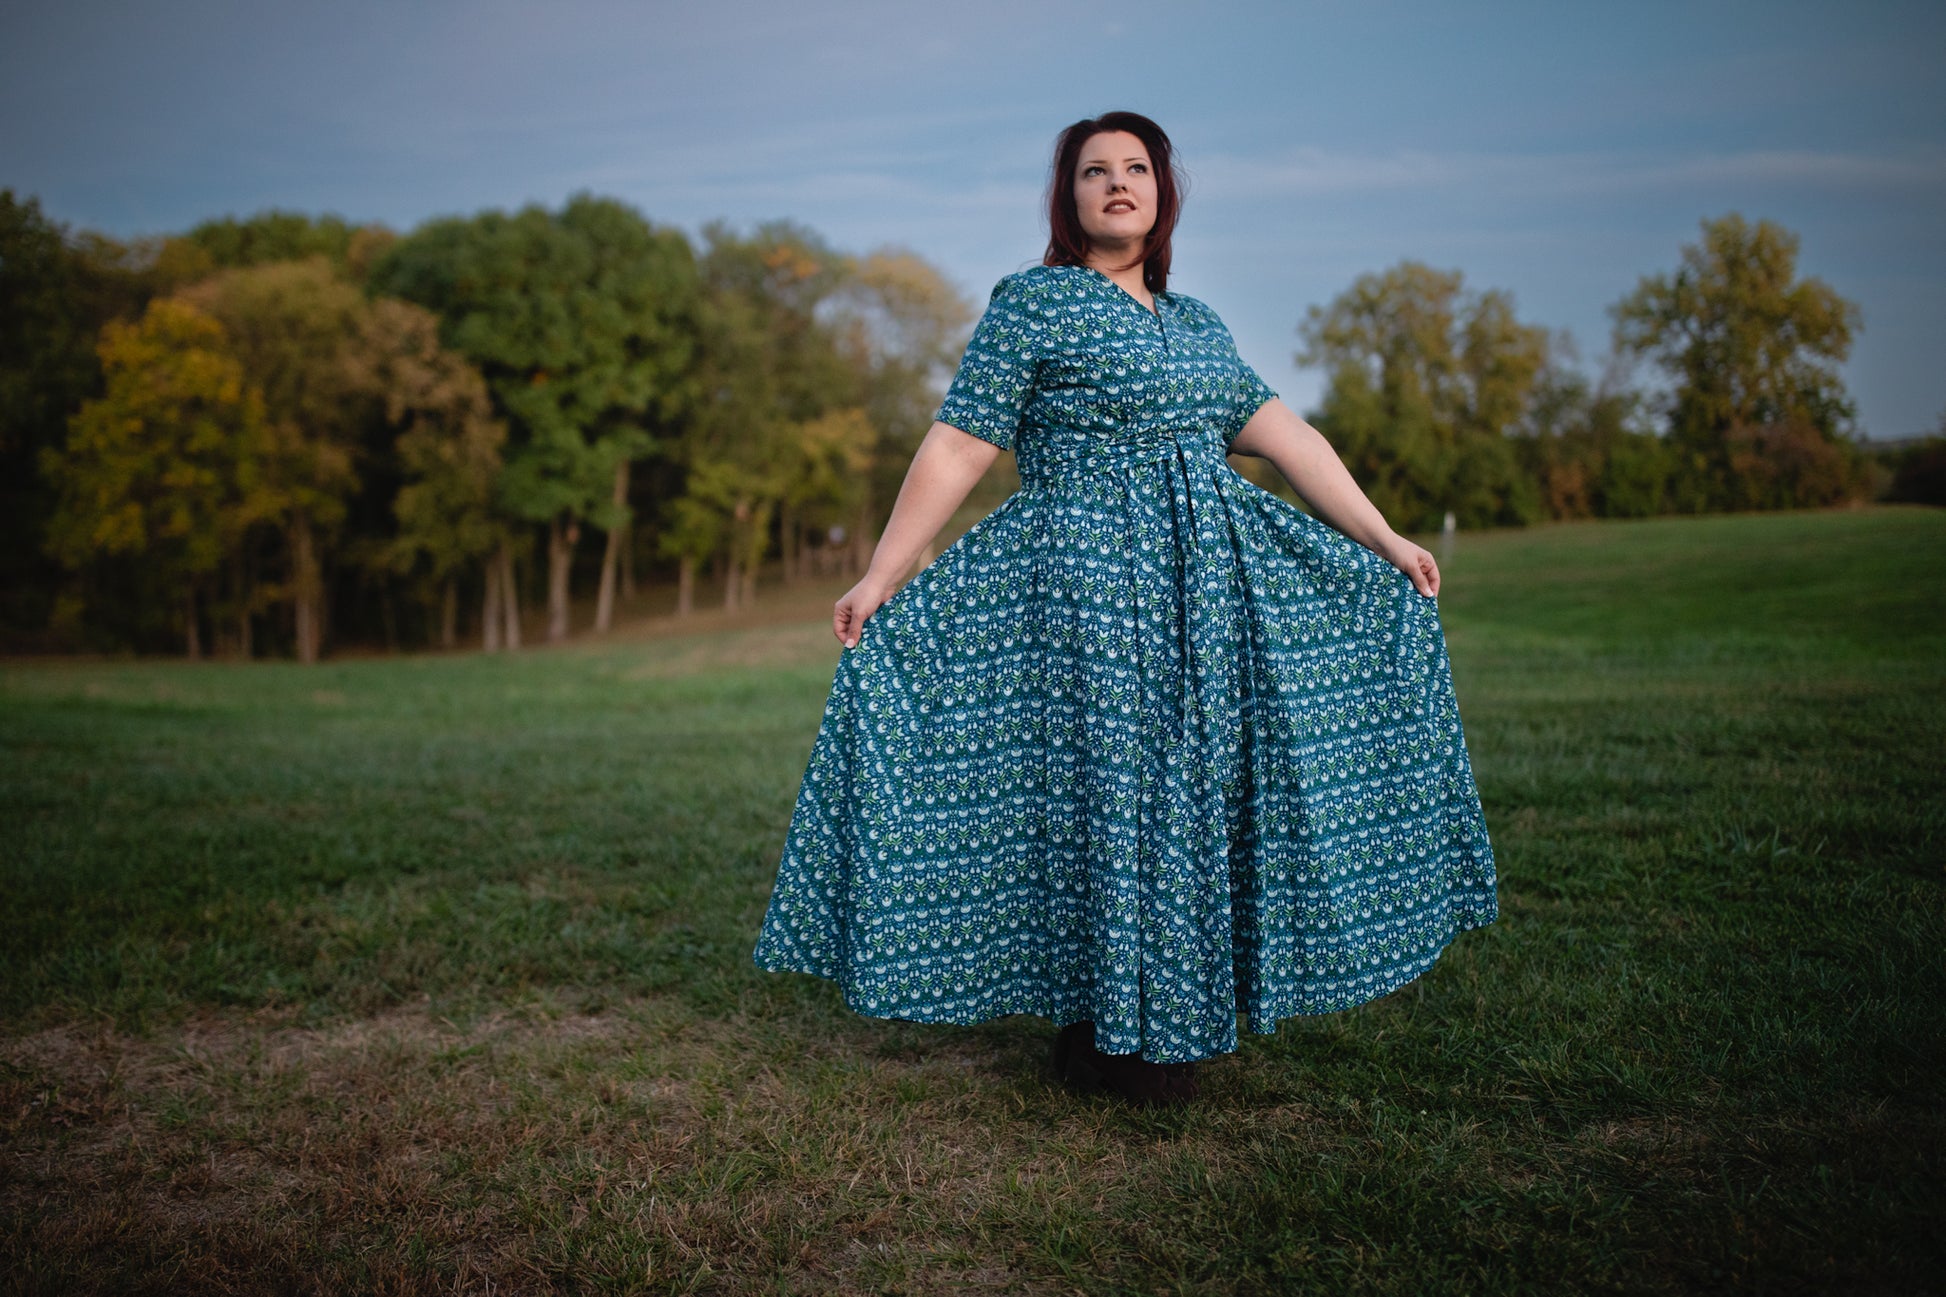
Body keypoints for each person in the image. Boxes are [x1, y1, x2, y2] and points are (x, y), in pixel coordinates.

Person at [753, 111, 1496, 1105]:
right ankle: (1103, 1028)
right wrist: (880, 574)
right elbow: (959, 443)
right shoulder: (1033, 305)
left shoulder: (1196, 328)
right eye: (1092, 171)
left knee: (1189, 793)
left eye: (1134, 168)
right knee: (1102, 795)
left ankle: (1173, 1021)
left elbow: (1288, 438)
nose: (1115, 183)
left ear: (1161, 193)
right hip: (1081, 590)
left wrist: (1385, 537)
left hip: (1206, 596)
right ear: (1065, 199)